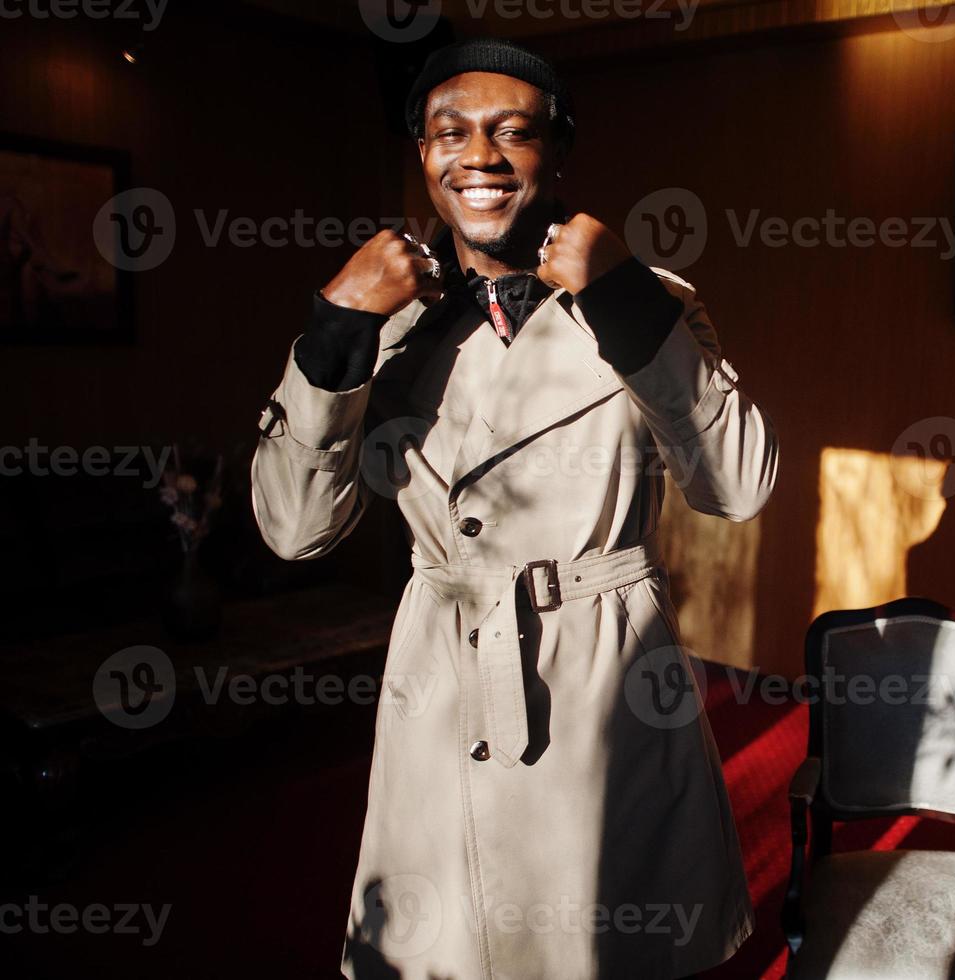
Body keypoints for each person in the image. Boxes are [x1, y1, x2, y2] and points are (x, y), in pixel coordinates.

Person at [250, 37, 778, 980]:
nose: (480, 156)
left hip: (600, 667)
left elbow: (735, 486)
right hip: (445, 668)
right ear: (423, 155)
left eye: (512, 133)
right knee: (453, 945)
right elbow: (293, 533)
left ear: (555, 153)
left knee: (601, 944)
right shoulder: (382, 323)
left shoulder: (647, 302)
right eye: (450, 132)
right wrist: (334, 330)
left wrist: (619, 293)